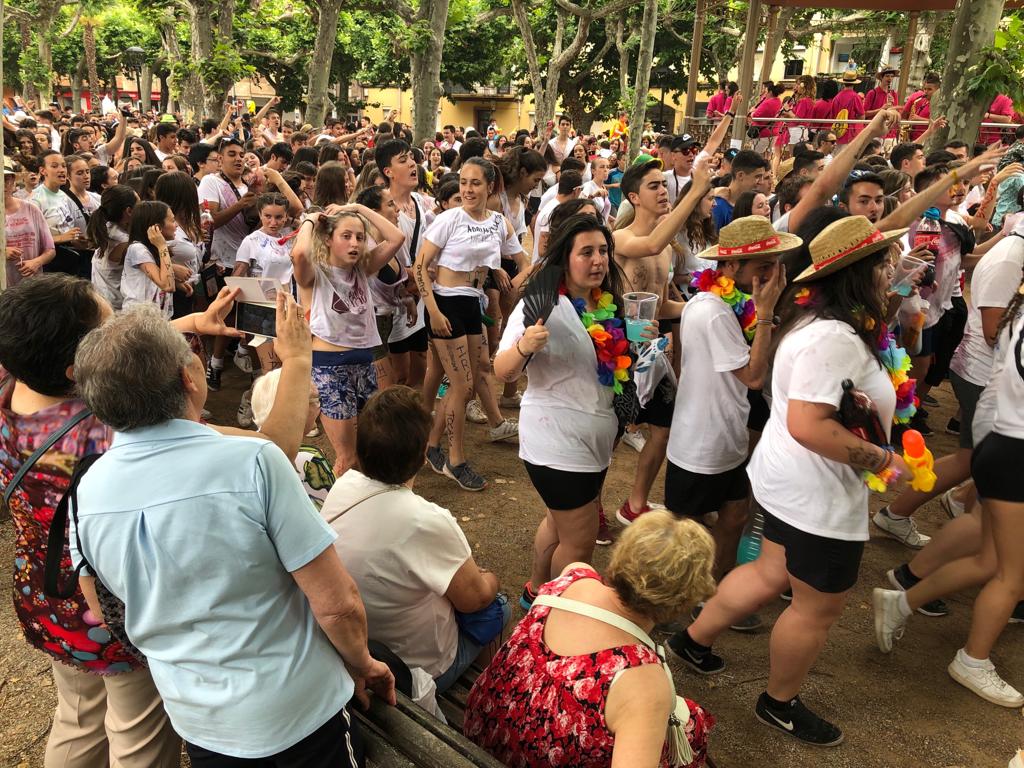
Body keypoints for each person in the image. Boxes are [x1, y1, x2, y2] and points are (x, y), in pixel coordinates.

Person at [69, 299, 396, 766]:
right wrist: (364, 663)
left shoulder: (87, 489)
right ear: (189, 379)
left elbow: (102, 607)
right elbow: (337, 604)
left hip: (199, 718)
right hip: (297, 709)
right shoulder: (254, 461)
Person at [669, 216, 910, 746]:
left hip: (789, 480)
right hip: (815, 491)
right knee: (816, 605)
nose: (891, 273)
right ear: (859, 274)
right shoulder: (835, 338)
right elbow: (807, 423)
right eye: (885, 265)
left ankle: (692, 639)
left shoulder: (815, 322)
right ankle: (778, 702)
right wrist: (882, 461)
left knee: (769, 569)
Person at [873, 276, 1024, 708]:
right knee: (1010, 575)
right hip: (1014, 452)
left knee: (990, 560)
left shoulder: (1019, 309)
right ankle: (972, 659)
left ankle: (902, 602)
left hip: (1001, 443)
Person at [465, 511, 717, 768]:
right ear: (683, 601)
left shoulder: (575, 574)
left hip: (487, 731)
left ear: (621, 556)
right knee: (688, 724)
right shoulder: (644, 683)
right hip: (537, 755)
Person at [496, 214, 643, 604]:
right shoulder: (541, 306)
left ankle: (536, 591)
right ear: (565, 257)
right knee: (578, 546)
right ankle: (560, 613)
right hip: (556, 440)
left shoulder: (603, 303)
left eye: (604, 251)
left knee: (558, 523)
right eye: (587, 252)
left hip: (593, 439)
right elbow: (502, 370)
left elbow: (606, 370)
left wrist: (638, 343)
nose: (599, 260)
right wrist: (525, 346)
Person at [324, 386, 509, 692]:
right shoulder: (425, 520)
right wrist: (491, 579)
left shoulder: (342, 487)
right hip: (415, 669)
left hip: (358, 650)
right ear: (423, 454)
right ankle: (481, 696)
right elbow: (474, 599)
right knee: (497, 607)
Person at [417, 157, 523, 491]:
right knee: (462, 386)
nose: (467, 189)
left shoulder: (498, 222)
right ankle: (455, 459)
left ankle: (431, 446)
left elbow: (522, 259)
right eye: (463, 182)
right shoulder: (449, 219)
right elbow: (420, 267)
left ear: (490, 186)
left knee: (472, 375)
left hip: (472, 305)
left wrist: (508, 274)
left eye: (475, 183)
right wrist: (432, 310)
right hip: (445, 305)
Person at [292, 203, 406, 476]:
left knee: (368, 449)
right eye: (346, 236)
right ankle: (334, 516)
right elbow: (299, 253)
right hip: (330, 366)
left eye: (359, 237)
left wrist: (356, 208)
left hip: (363, 361)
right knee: (347, 458)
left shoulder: (362, 270)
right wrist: (309, 221)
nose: (355, 243)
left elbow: (396, 238)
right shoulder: (315, 274)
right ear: (329, 239)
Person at [200, 137, 256, 389]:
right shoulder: (211, 182)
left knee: (250, 313)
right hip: (223, 260)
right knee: (228, 313)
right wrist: (240, 206)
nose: (238, 158)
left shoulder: (249, 186)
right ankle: (216, 364)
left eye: (242, 153)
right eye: (231, 154)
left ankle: (244, 358)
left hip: (251, 261)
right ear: (219, 159)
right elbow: (209, 221)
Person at [4, 158, 56, 286]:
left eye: (6, 179)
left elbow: (50, 250)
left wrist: (36, 262)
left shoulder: (31, 209)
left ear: (12, 181)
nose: (2, 184)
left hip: (32, 285)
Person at [87, 184, 137, 309]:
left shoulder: (107, 227)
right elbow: (149, 264)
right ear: (129, 211)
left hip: (104, 301)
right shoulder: (123, 242)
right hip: (116, 309)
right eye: (140, 205)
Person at [711, 150, 769, 230]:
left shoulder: (755, 203)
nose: (761, 182)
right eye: (757, 177)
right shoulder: (718, 207)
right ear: (740, 175)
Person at [830, 71, 865, 149]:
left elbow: (832, 117)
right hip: (850, 134)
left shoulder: (836, 97)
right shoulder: (855, 97)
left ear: (843, 83)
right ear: (854, 83)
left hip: (836, 134)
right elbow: (862, 116)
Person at [902, 72, 941, 142]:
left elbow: (938, 123)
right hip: (914, 139)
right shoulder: (923, 101)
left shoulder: (939, 105)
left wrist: (918, 119)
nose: (926, 92)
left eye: (929, 89)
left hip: (927, 140)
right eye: (925, 89)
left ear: (938, 90)